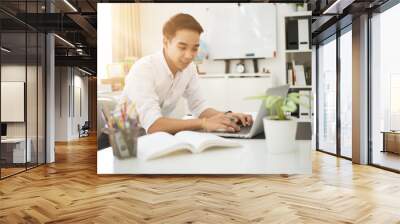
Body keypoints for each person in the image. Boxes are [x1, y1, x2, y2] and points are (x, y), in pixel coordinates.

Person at [123, 13, 253, 134]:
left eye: (195, 48)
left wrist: (227, 117)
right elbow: (153, 125)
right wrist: (204, 123)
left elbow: (199, 107)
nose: (189, 55)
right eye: (182, 47)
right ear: (165, 42)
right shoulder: (144, 69)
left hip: (156, 137)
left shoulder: (189, 68)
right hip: (124, 139)